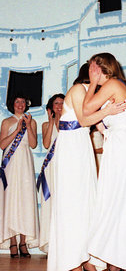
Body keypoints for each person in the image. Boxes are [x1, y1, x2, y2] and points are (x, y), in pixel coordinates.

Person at [47, 63, 126, 271]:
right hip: (70, 149)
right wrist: (107, 109)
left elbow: (97, 122)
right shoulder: (77, 90)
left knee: (87, 200)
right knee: (72, 203)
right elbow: (83, 120)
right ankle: (71, 260)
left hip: (82, 147)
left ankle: (87, 257)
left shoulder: (89, 92)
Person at [83, 52, 126, 271]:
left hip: (122, 146)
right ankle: (112, 258)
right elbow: (99, 120)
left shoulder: (113, 84)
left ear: (100, 68)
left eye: (92, 67)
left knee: (116, 199)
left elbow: (87, 108)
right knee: (113, 199)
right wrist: (104, 115)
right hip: (117, 143)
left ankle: (105, 258)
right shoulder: (114, 88)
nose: (90, 71)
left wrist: (91, 84)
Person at [0, 94, 39, 258]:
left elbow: (33, 144)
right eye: (17, 102)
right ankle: (13, 242)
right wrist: (17, 130)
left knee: (25, 200)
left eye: (23, 102)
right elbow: (2, 145)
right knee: (11, 199)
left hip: (25, 162)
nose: (20, 104)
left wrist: (28, 126)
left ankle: (23, 241)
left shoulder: (32, 121)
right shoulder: (7, 122)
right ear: (12, 104)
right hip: (11, 163)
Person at [38, 93, 65, 254]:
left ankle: (63, 242)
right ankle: (49, 243)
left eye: (62, 103)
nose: (59, 106)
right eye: (56, 103)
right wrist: (50, 121)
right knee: (50, 204)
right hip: (50, 168)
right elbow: (47, 143)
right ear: (51, 107)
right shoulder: (45, 125)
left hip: (64, 168)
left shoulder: (70, 123)